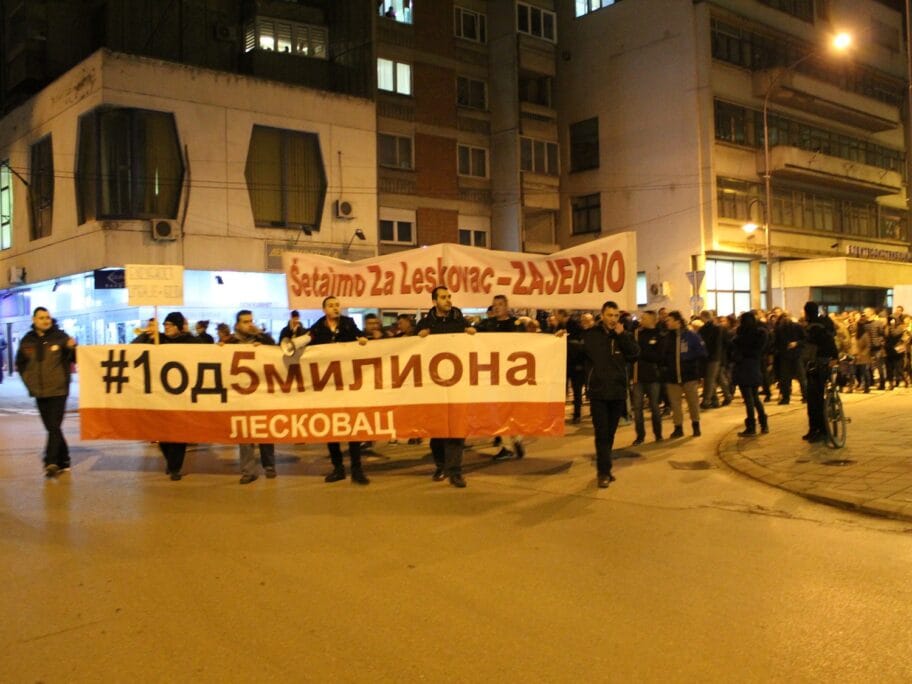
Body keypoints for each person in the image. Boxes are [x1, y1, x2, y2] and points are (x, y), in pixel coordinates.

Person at [305, 296, 370, 485]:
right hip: (328, 386)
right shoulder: (317, 328)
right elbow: (305, 345)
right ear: (324, 309)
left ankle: (357, 470)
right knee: (332, 429)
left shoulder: (348, 323)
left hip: (348, 383)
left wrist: (363, 339)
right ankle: (338, 469)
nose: (335, 308)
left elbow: (360, 336)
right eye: (331, 305)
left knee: (352, 427)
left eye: (337, 305)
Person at [416, 286, 476, 488]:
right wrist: (419, 337)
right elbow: (412, 348)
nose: (448, 300)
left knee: (457, 429)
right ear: (434, 302)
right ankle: (441, 465)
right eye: (443, 297)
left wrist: (471, 333)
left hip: (457, 383)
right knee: (438, 431)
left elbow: (473, 344)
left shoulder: (459, 320)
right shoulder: (425, 323)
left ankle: (455, 471)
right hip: (434, 386)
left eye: (449, 296)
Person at [577, 300, 639, 488]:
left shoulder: (623, 335)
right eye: (610, 315)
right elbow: (575, 354)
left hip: (617, 392)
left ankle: (606, 468)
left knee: (610, 434)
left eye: (616, 315)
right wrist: (559, 340)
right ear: (602, 315)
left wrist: (622, 336)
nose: (613, 319)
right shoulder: (591, 335)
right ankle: (603, 472)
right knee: (602, 433)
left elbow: (635, 354)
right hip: (598, 392)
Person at [132, 311, 198, 480]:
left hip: (181, 395)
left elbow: (208, 351)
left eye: (170, 325)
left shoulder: (190, 341)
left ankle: (175, 468)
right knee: (161, 432)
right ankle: (171, 461)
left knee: (179, 433)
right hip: (160, 395)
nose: (166, 327)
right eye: (165, 325)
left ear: (178, 326)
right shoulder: (158, 339)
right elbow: (133, 348)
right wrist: (146, 335)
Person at [15, 307, 77, 478]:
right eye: (41, 318)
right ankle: (64, 460)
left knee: (54, 426)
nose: (46, 320)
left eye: (48, 317)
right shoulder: (27, 340)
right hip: (39, 391)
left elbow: (75, 358)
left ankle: (50, 462)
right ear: (34, 320)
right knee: (52, 427)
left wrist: (73, 348)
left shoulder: (61, 337)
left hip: (58, 390)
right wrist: (29, 381)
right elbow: (20, 363)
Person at [225, 310, 278, 484]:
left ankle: (269, 465)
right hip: (241, 395)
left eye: (251, 321)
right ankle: (248, 471)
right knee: (245, 432)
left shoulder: (262, 339)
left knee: (264, 430)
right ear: (237, 324)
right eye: (245, 322)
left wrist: (261, 339)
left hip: (261, 392)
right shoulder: (231, 343)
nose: (250, 324)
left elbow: (276, 350)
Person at [476, 294, 525, 460]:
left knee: (512, 408)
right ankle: (508, 444)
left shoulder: (516, 325)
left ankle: (515, 439)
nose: (496, 307)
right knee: (498, 410)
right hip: (494, 373)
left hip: (512, 373)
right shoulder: (486, 325)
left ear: (506, 306)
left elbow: (529, 343)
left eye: (500, 304)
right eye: (494, 305)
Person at [661, 310, 707, 438]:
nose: (666, 322)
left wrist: (688, 359)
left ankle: (696, 425)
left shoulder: (691, 336)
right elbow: (663, 356)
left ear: (677, 321)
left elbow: (702, 352)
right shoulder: (667, 337)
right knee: (675, 404)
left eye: (669, 320)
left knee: (693, 402)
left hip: (689, 376)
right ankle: (678, 428)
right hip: (672, 377)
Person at [802, 301, 838, 443]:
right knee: (815, 398)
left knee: (814, 399)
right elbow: (831, 342)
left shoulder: (815, 327)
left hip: (817, 363)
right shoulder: (824, 323)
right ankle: (817, 429)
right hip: (824, 362)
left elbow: (820, 343)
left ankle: (819, 430)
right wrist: (834, 357)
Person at [731, 311, 769, 436]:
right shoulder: (760, 334)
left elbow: (734, 350)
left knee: (748, 399)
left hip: (743, 368)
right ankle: (764, 424)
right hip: (755, 367)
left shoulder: (740, 336)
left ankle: (751, 427)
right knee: (755, 397)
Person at [630, 310, 663, 445]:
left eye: (644, 318)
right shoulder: (637, 334)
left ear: (652, 320)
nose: (641, 320)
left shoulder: (659, 335)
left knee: (654, 406)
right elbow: (632, 352)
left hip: (653, 377)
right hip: (638, 376)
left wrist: (642, 353)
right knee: (637, 408)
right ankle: (640, 436)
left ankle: (658, 434)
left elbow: (658, 356)